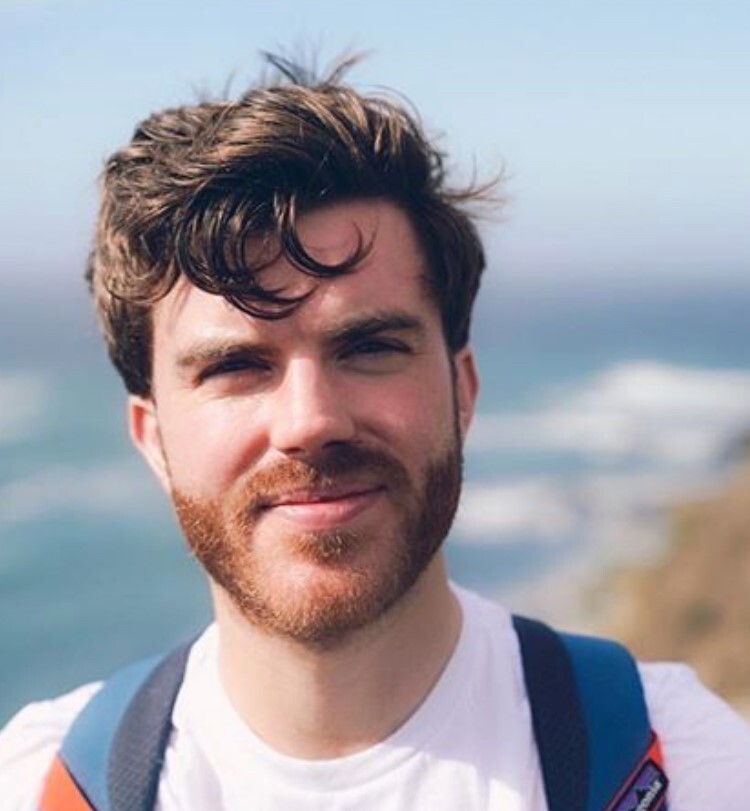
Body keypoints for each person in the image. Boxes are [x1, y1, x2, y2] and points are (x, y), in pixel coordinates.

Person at [1, 54, 749, 811]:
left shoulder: (684, 765)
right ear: (152, 438)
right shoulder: (41, 784)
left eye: (369, 348)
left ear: (462, 392)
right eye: (236, 366)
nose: (311, 420)